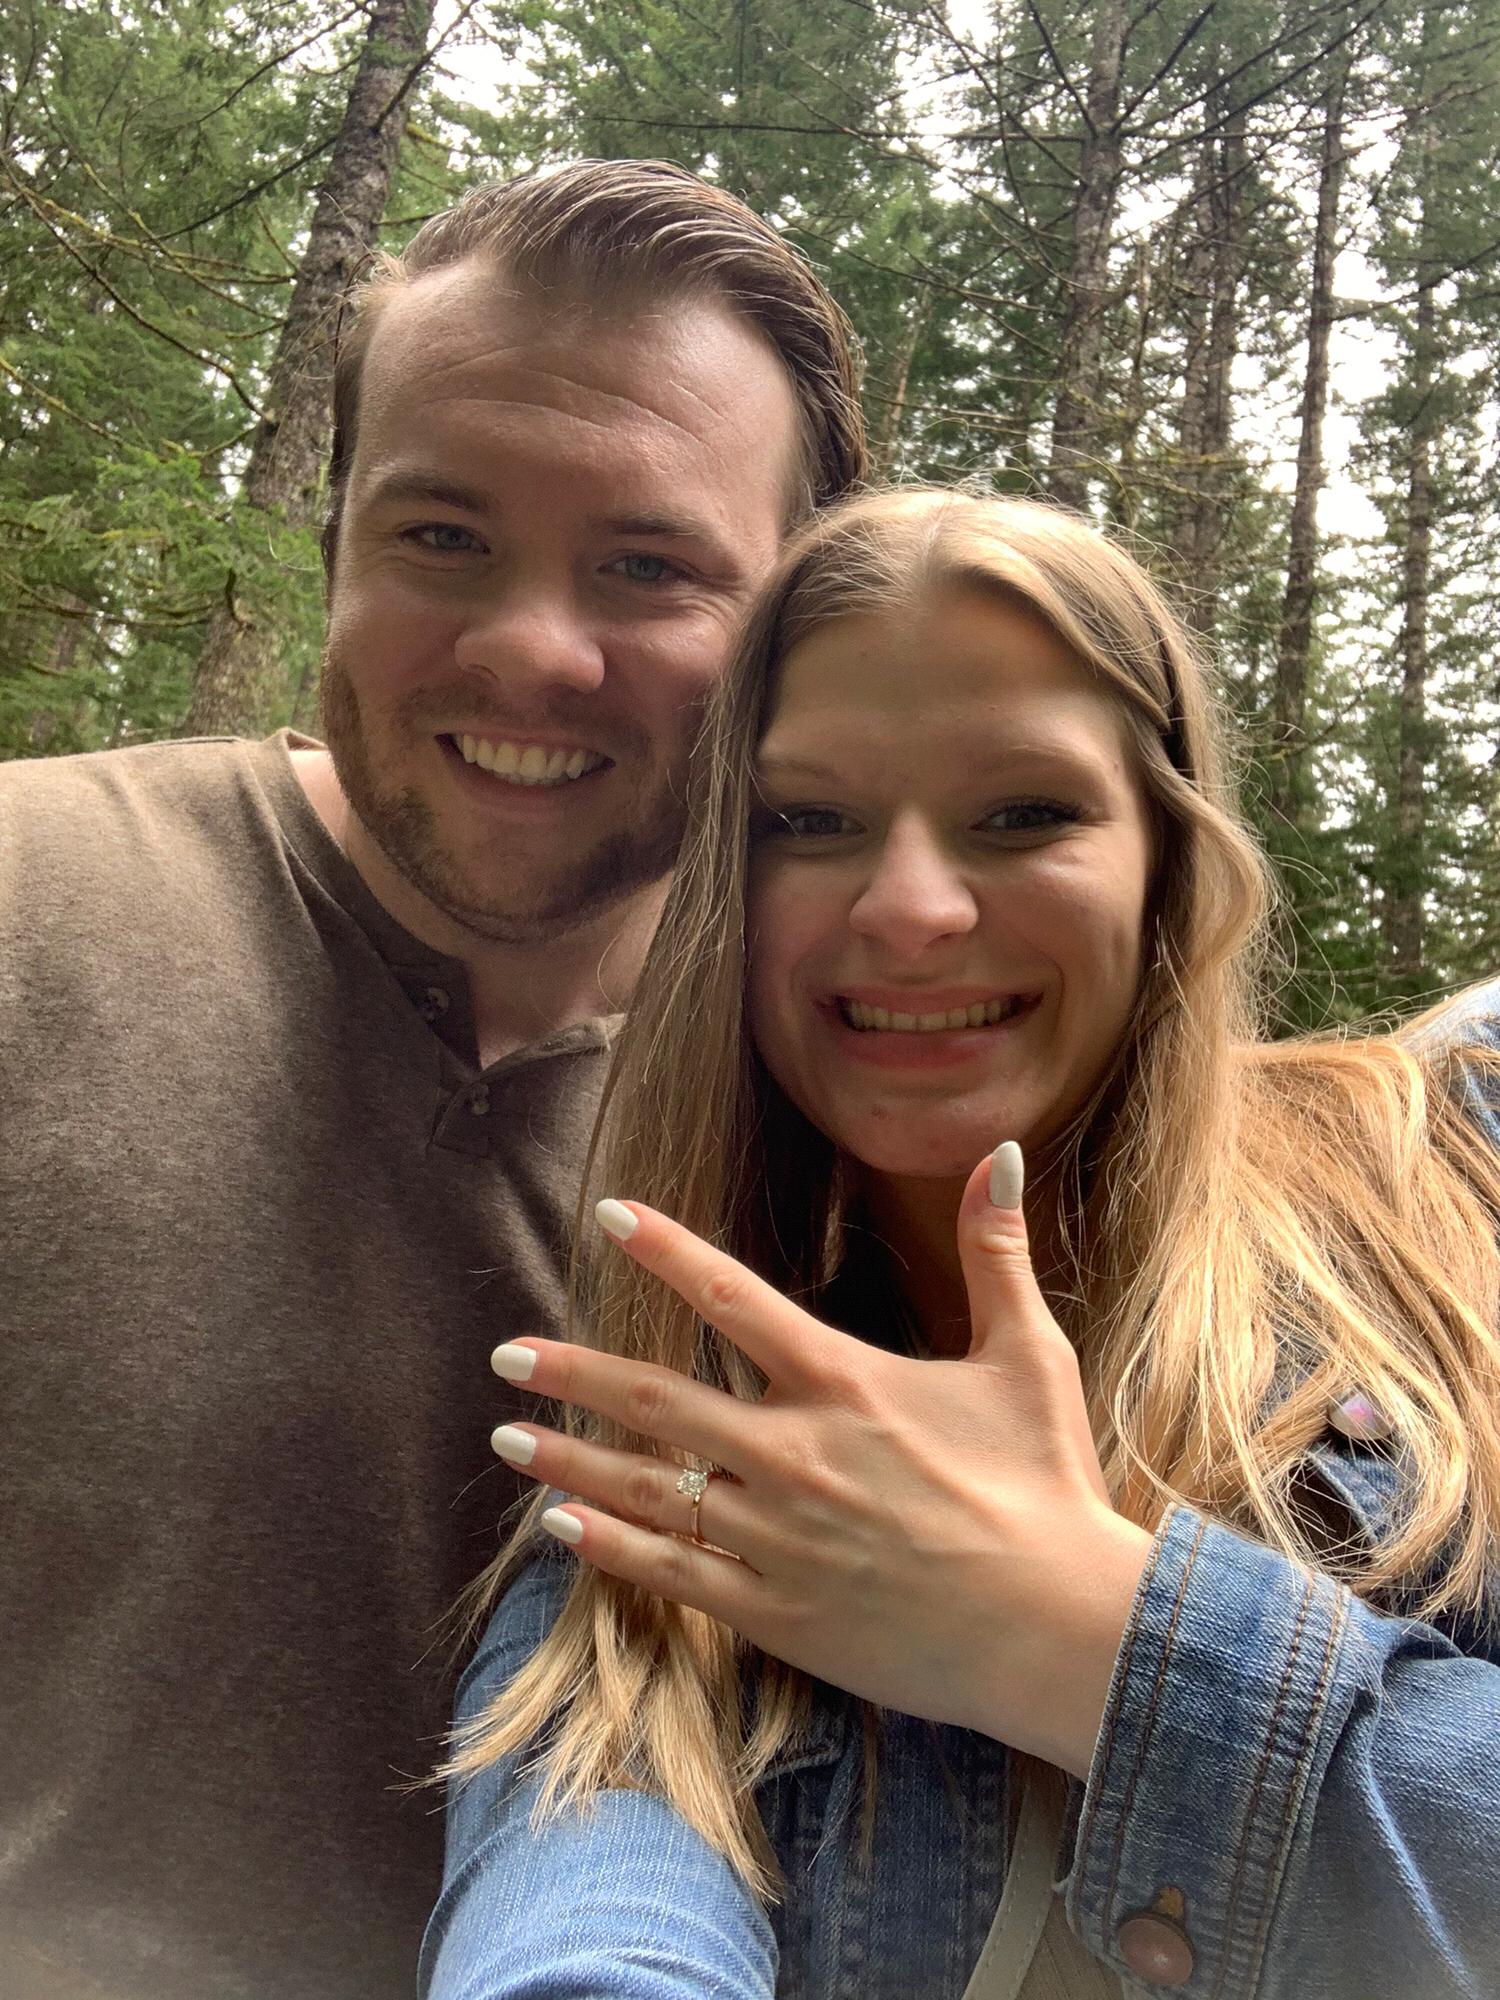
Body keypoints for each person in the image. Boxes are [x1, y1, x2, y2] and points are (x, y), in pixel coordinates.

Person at [422, 488, 1500, 2000]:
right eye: (811, 822)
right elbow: (585, 1934)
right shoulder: (668, 1479)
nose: (912, 909)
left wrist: (1085, 1641)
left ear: (1169, 857)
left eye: (1025, 813)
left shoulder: (1456, 1159)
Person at [0, 160, 865, 2000]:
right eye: (441, 538)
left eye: (649, 566)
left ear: (797, 629)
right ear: (337, 542)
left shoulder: (858, 1142)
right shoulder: (26, 907)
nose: (530, 651)